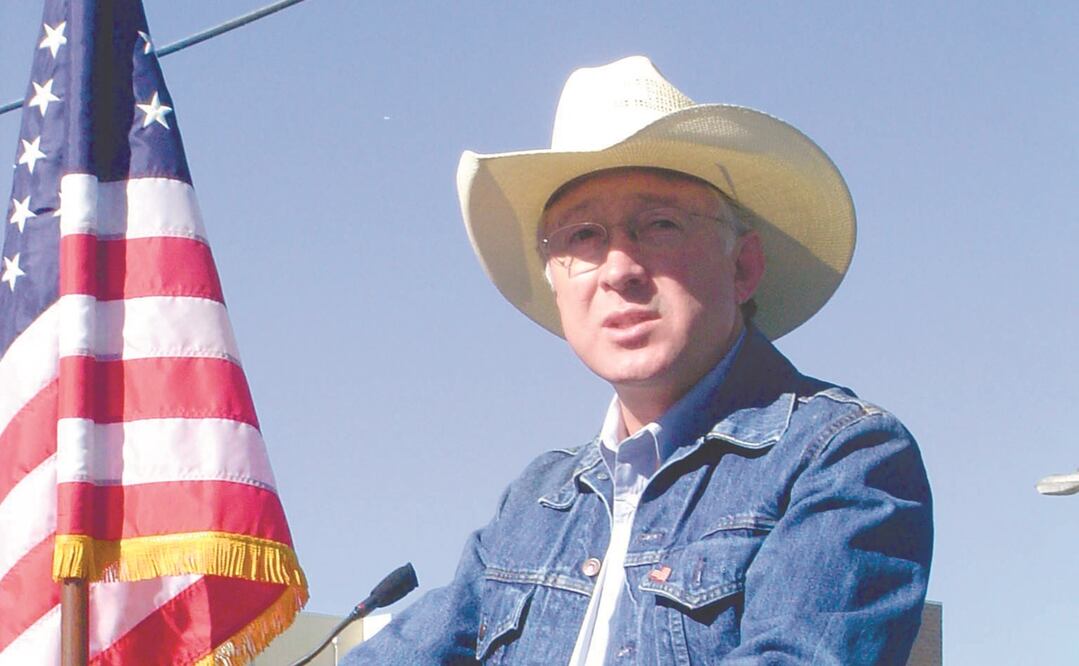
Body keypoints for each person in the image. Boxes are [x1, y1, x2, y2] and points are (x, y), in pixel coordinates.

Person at [344, 55, 932, 665]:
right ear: (555, 281)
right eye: (582, 237)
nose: (619, 268)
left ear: (743, 267)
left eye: (659, 224)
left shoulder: (841, 458)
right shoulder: (540, 500)